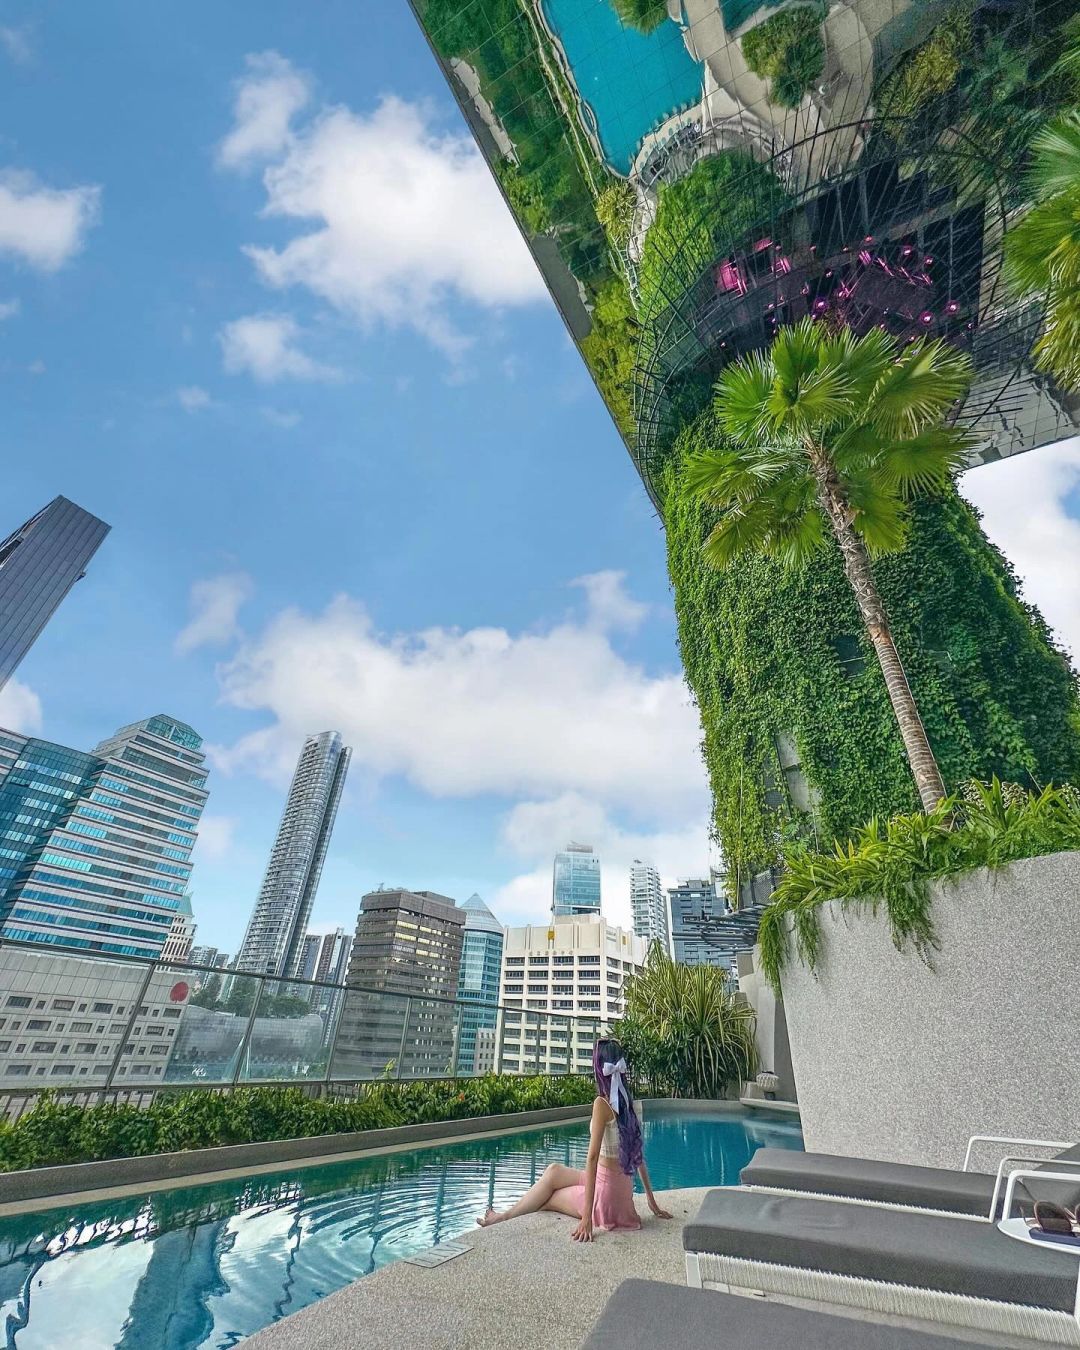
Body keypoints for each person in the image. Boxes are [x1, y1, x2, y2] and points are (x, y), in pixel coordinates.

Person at [476, 1037, 673, 1241]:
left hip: (604, 1198)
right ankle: (504, 1216)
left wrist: (587, 1218)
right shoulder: (627, 1103)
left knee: (549, 1198)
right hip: (620, 1194)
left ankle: (502, 1219)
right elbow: (638, 1155)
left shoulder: (602, 1104)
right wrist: (652, 1202)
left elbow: (592, 1158)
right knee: (553, 1171)